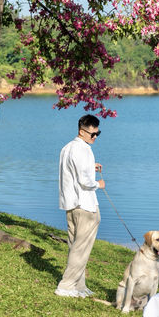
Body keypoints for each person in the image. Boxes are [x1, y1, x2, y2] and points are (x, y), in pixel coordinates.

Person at [55, 114, 106, 298]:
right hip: (85, 205)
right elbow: (85, 182)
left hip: (71, 204)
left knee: (75, 245)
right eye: (92, 134)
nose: (95, 137)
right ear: (81, 131)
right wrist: (98, 184)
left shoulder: (68, 148)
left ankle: (79, 285)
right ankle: (66, 286)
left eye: (97, 134)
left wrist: (91, 167)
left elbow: (72, 171)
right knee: (81, 248)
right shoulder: (83, 150)